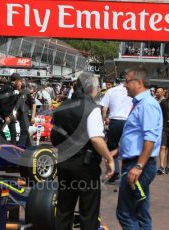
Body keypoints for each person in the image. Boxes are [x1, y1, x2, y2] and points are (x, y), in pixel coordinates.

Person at [51, 72, 114, 230]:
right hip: (85, 164)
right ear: (91, 88)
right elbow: (96, 139)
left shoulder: (61, 107)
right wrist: (109, 158)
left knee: (64, 210)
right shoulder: (91, 109)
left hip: (64, 161)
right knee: (89, 211)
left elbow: (54, 135)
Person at [115, 67, 162, 229]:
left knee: (125, 212)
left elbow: (150, 138)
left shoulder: (147, 105)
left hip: (138, 165)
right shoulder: (141, 104)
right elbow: (136, 137)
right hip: (136, 163)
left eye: (127, 81)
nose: (124, 85)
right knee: (141, 213)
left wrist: (139, 166)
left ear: (139, 83)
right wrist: (117, 151)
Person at [100, 72, 133, 183]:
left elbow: (104, 109)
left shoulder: (111, 91)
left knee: (112, 147)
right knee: (127, 147)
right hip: (128, 122)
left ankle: (115, 172)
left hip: (114, 121)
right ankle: (126, 172)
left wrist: (104, 120)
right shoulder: (131, 91)